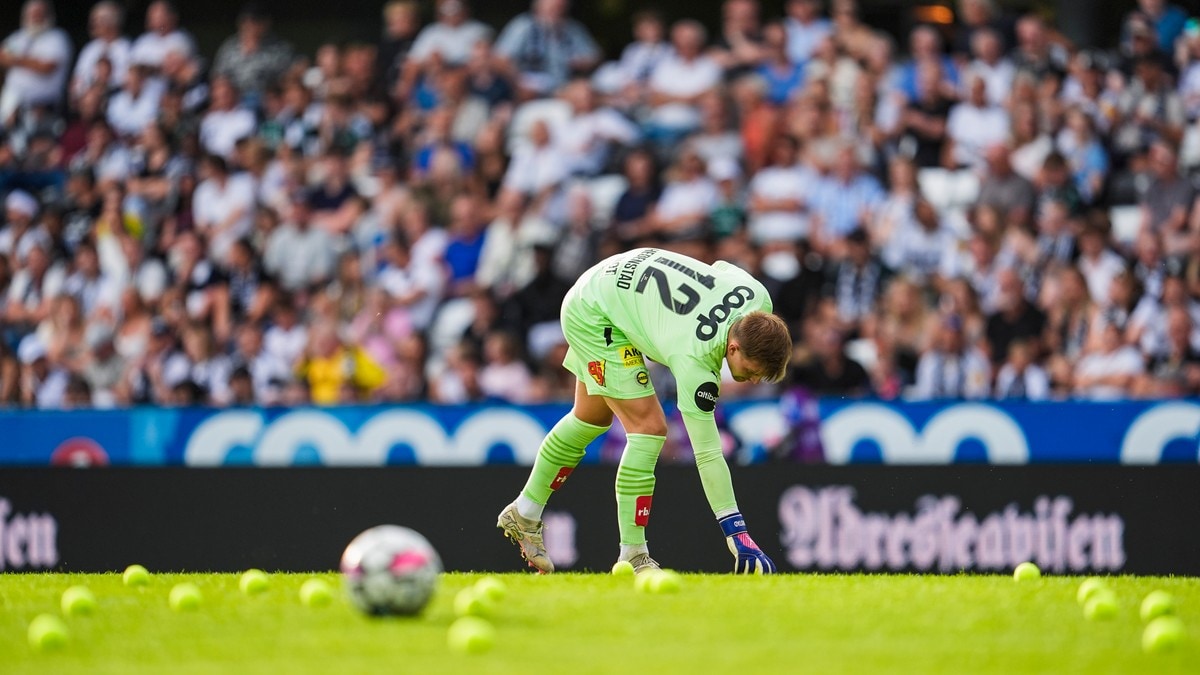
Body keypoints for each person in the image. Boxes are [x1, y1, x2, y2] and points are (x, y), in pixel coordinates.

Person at [497, 247, 792, 574]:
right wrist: (737, 533)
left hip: (610, 280)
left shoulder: (756, 296)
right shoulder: (695, 361)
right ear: (733, 347)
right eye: (751, 371)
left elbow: (720, 266)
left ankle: (525, 511)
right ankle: (634, 556)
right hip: (596, 313)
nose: (753, 381)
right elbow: (707, 453)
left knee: (591, 418)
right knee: (649, 428)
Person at [0, 0, 73, 124]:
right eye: (32, 13)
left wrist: (17, 60)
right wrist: (30, 61)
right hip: (12, 103)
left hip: (43, 107)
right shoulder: (19, 37)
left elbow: (47, 67)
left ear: (49, 15)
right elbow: (2, 56)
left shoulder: (57, 38)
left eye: (40, 13)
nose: (36, 17)